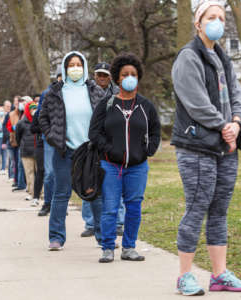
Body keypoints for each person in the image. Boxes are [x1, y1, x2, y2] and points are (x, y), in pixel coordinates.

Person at [171, 2, 241, 296]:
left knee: (219, 211)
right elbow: (196, 102)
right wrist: (224, 126)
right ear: (197, 23)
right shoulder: (188, 57)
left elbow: (237, 93)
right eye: (211, 17)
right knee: (196, 208)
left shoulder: (223, 58)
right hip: (197, 147)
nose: (217, 22)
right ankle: (184, 276)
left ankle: (219, 275)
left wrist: (237, 121)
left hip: (225, 147)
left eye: (221, 18)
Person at [89, 53, 161, 263]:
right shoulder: (107, 104)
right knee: (110, 207)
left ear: (138, 77)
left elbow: (155, 131)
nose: (129, 77)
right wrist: (108, 149)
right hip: (110, 165)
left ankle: (129, 247)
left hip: (137, 167)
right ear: (117, 78)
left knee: (134, 207)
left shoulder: (146, 106)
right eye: (125, 74)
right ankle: (108, 247)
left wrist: (149, 150)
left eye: (133, 74)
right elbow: (94, 132)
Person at [39, 51, 104, 251]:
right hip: (64, 151)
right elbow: (42, 119)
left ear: (84, 67)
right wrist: (53, 136)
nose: (75, 68)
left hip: (90, 152)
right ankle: (56, 237)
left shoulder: (95, 91)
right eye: (71, 65)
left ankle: (104, 237)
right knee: (61, 194)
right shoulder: (55, 93)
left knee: (94, 194)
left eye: (79, 64)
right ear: (65, 69)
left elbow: (105, 118)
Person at [81, 62, 125, 238]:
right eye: (99, 74)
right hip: (91, 142)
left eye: (105, 75)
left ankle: (119, 222)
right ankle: (90, 223)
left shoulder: (117, 93)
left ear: (110, 77)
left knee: (117, 182)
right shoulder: (86, 93)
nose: (102, 78)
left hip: (112, 143)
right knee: (89, 182)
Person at [36, 71, 62, 216]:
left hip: (66, 138)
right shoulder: (47, 93)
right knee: (49, 172)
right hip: (50, 138)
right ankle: (47, 203)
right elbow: (41, 115)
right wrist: (48, 133)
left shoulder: (74, 93)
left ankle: (59, 204)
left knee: (62, 174)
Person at [16, 102, 37, 201]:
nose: (33, 111)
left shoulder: (39, 120)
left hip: (38, 150)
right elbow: (18, 137)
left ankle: (40, 192)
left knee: (40, 172)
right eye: (32, 109)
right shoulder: (21, 123)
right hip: (26, 151)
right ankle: (32, 192)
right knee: (29, 173)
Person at [7, 96, 27, 191]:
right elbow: (8, 126)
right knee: (16, 162)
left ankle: (21, 182)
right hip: (15, 140)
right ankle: (18, 181)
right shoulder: (12, 114)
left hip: (23, 141)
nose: (18, 104)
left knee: (21, 163)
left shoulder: (25, 113)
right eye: (16, 102)